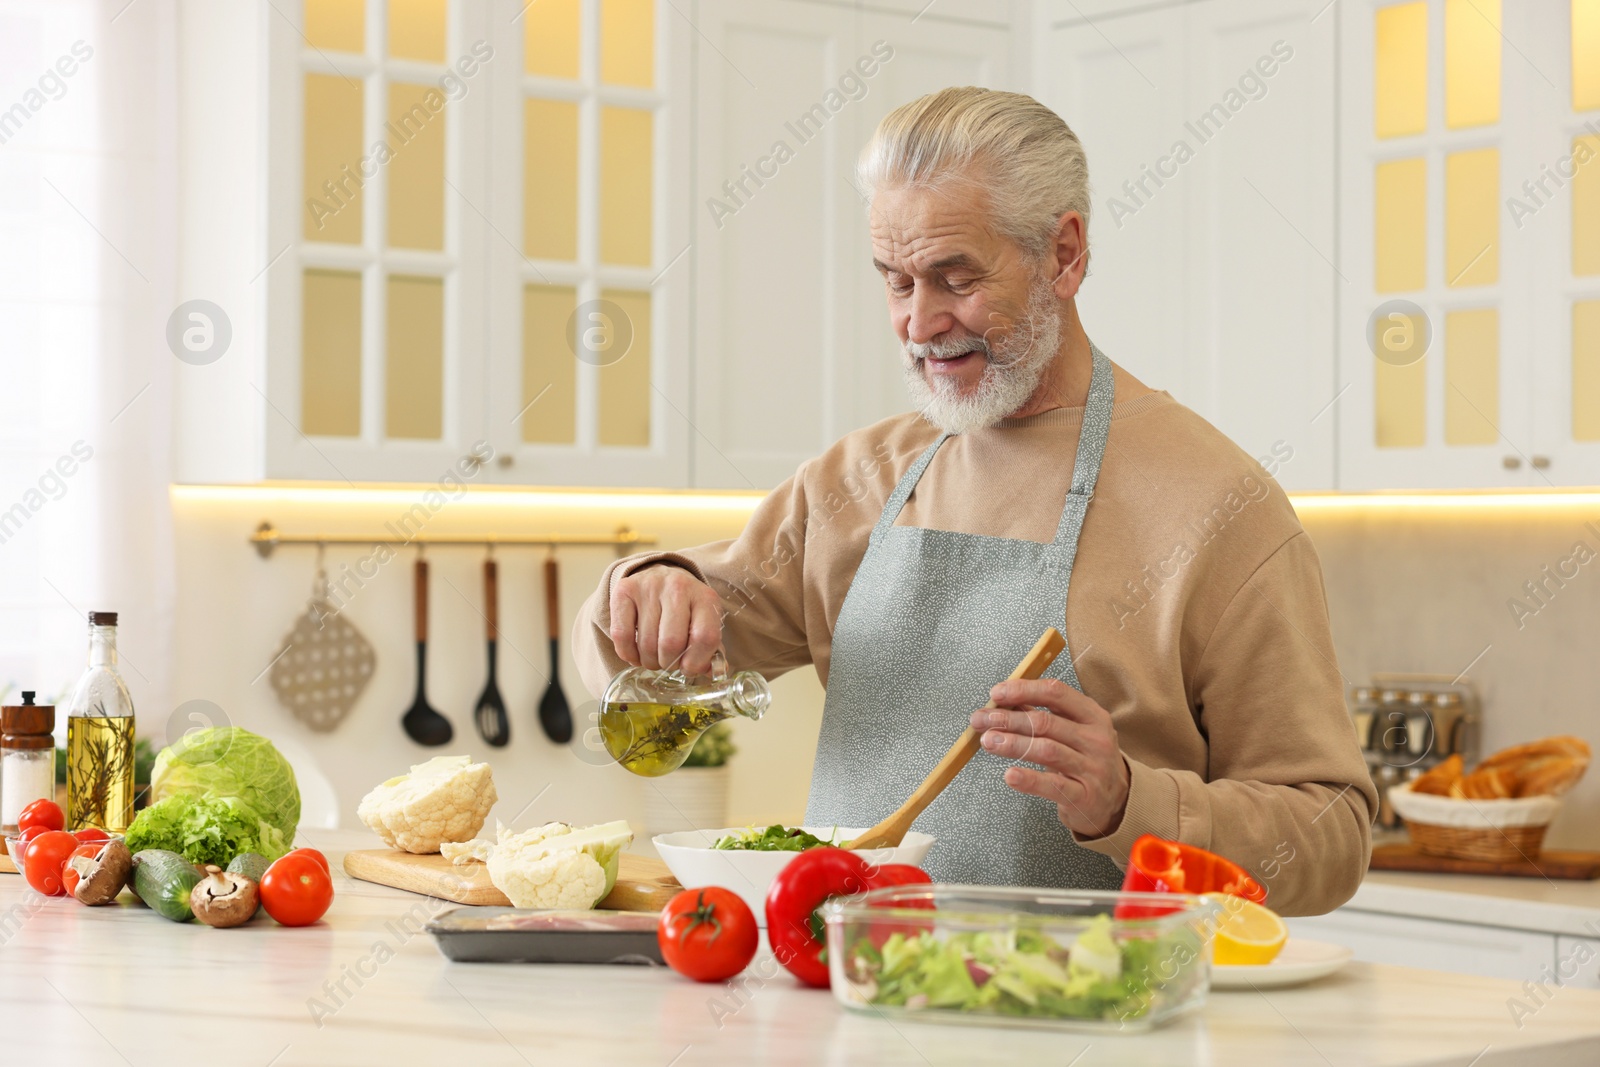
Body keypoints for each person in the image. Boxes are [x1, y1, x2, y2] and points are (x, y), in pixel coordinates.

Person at [574, 87, 1374, 916]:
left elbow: (1331, 830)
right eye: (895, 283)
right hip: (846, 1012)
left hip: (1097, 1023)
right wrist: (647, 591)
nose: (920, 322)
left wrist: (1129, 801)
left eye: (956, 278)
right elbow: (637, 658)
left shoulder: (1220, 506)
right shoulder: (860, 480)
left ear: (1064, 254)